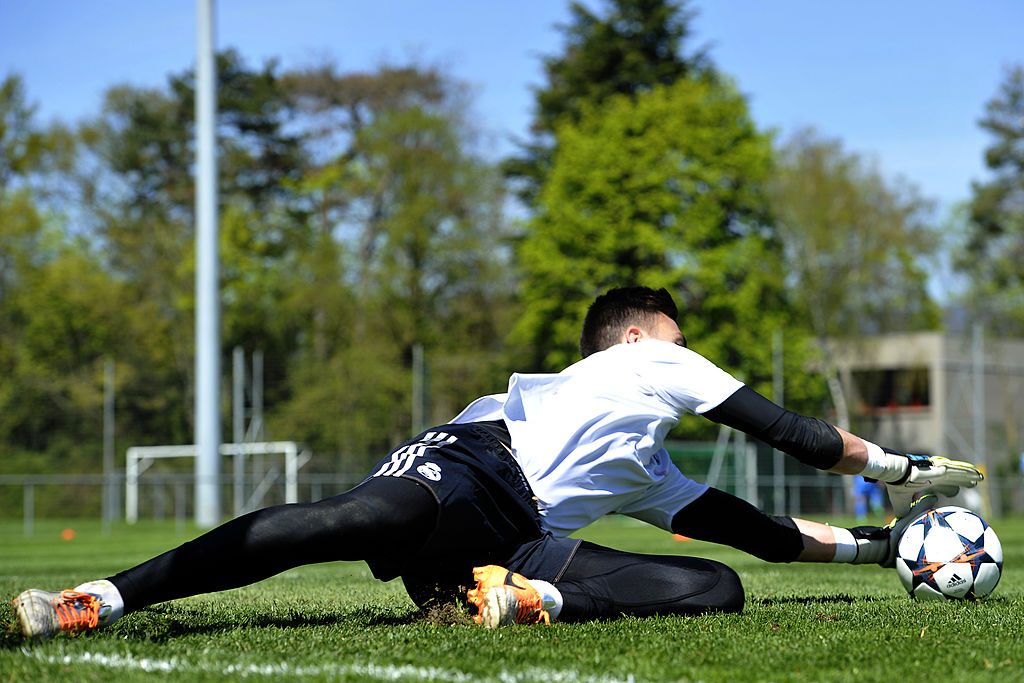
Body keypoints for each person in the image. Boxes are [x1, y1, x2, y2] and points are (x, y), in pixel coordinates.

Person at [12, 286, 982, 637]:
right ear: (635, 337)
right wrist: (901, 466)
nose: (688, 354)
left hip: (518, 539)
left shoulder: (641, 466)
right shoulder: (645, 356)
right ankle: (97, 598)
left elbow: (758, 532)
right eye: (674, 338)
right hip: (471, 465)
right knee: (349, 521)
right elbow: (794, 434)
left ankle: (528, 599)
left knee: (713, 586)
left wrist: (882, 545)